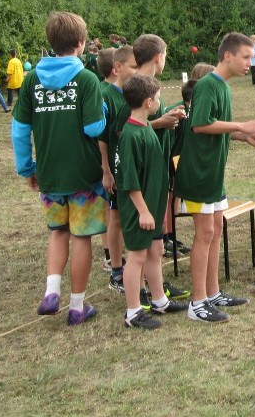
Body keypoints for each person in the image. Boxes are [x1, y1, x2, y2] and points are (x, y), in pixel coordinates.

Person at [11, 11, 107, 325]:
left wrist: (27, 168)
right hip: (84, 174)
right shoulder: (87, 80)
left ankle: (51, 291)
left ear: (51, 42)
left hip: (49, 173)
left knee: (57, 234)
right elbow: (94, 128)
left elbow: (20, 128)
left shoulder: (32, 80)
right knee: (81, 238)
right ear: (81, 43)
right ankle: (77, 306)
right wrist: (102, 110)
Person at [174, 33, 255, 323]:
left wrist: (245, 136)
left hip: (214, 173)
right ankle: (197, 302)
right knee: (204, 233)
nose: (250, 64)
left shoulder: (224, 87)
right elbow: (200, 126)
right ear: (227, 56)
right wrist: (242, 124)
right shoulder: (206, 85)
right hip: (199, 173)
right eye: (245, 57)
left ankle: (212, 292)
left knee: (216, 229)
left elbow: (220, 127)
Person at [116, 74, 188, 328]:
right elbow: (130, 181)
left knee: (155, 251)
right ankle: (133, 311)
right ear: (148, 102)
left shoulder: (146, 127)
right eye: (158, 98)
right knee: (136, 257)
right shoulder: (130, 135)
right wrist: (144, 212)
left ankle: (160, 301)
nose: (160, 102)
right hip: (140, 210)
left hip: (153, 207)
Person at [132, 34, 190, 305]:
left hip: (158, 168)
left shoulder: (151, 87)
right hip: (142, 175)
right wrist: (161, 123)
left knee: (155, 242)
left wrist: (171, 116)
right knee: (143, 244)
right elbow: (127, 129)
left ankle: (157, 291)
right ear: (159, 56)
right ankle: (142, 292)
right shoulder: (134, 86)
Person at [98, 45, 139, 293]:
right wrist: (106, 169)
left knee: (124, 217)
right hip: (113, 167)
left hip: (127, 166)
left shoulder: (128, 94)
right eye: (133, 66)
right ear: (118, 68)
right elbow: (101, 137)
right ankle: (115, 270)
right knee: (115, 216)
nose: (136, 71)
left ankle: (127, 264)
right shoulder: (105, 95)